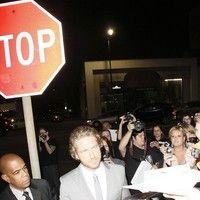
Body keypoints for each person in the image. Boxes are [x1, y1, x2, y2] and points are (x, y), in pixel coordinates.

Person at [60, 125, 130, 200]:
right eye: (84, 151)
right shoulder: (67, 182)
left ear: (100, 146)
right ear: (76, 155)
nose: (92, 155)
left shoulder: (118, 171)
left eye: (94, 147)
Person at [119, 120, 163, 186]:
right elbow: (121, 147)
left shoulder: (150, 148)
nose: (143, 138)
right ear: (133, 138)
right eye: (140, 136)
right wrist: (130, 131)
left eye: (143, 135)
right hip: (136, 189)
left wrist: (156, 165)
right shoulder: (129, 151)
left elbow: (161, 159)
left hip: (151, 185)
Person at [38, 127, 60, 197]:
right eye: (40, 133)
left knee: (56, 183)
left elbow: (50, 151)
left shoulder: (53, 141)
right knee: (48, 184)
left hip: (52, 165)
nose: (42, 134)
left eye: (43, 132)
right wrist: (39, 142)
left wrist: (45, 142)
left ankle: (60, 196)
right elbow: (40, 151)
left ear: (47, 133)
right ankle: (52, 197)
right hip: (44, 165)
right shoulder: (41, 142)